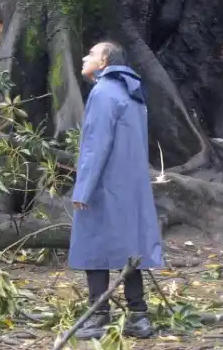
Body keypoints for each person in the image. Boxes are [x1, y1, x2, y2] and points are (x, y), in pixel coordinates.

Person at [68, 41, 164, 340]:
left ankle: (98, 317)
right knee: (130, 248)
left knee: (94, 247)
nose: (85, 57)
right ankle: (138, 315)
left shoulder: (103, 92)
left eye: (91, 54)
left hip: (105, 184)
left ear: (105, 60)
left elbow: (96, 146)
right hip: (131, 185)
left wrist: (83, 189)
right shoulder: (132, 92)